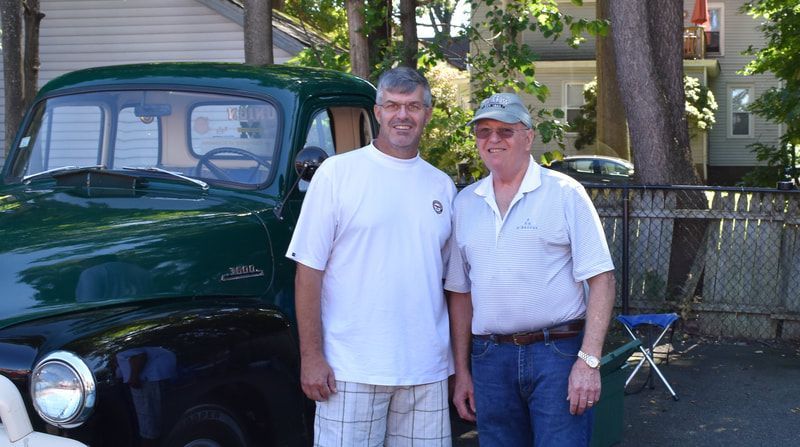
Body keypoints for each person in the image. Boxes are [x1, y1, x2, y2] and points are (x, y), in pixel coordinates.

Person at [286, 67, 456, 446]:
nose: (403, 115)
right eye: (393, 105)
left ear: (427, 114)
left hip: (425, 373)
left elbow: (450, 284)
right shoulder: (336, 175)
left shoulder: (442, 186)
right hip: (350, 370)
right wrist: (311, 357)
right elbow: (307, 273)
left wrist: (454, 368)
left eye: (413, 106)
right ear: (377, 112)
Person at [445, 92, 616, 446]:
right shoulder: (464, 204)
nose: (493, 139)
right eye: (483, 131)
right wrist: (462, 371)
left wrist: (589, 361)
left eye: (505, 131)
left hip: (557, 354)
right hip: (490, 359)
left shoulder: (565, 193)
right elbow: (460, 294)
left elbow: (602, 280)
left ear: (528, 137)